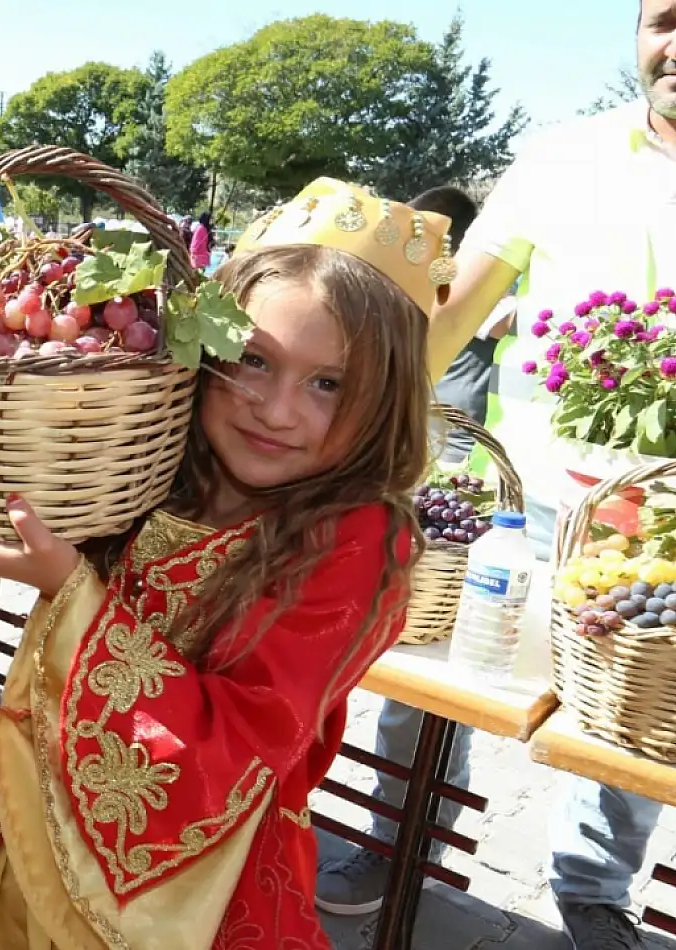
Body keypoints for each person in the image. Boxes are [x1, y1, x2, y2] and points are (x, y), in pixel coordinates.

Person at [0, 177, 444, 948]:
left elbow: (239, 749)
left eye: (328, 384)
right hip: (26, 831)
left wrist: (67, 591)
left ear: (384, 399)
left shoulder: (358, 540)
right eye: (251, 360)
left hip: (195, 893)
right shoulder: (139, 456)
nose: (278, 409)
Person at [424, 4, 676, 946]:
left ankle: (592, 891)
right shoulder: (560, 156)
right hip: (519, 497)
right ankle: (397, 839)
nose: (675, 43)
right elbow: (454, 310)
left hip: (661, 530)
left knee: (631, 710)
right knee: (436, 665)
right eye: (665, 18)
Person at [314, 184, 497, 916]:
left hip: (489, 506)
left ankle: (594, 898)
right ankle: (395, 845)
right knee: (408, 696)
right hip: (421, 488)